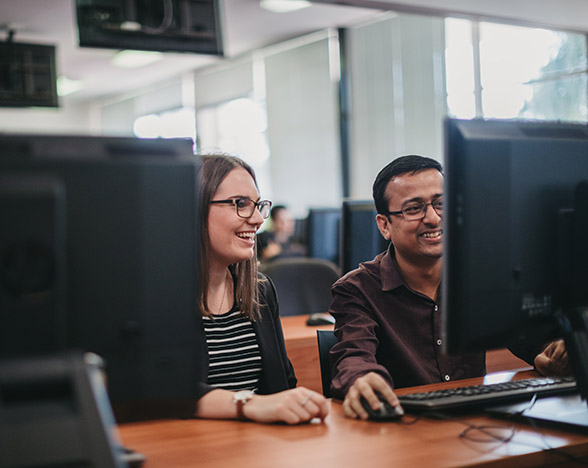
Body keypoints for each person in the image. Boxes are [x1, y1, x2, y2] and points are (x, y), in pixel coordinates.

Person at [328, 155, 571, 420]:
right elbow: (354, 357)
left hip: (476, 427)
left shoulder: (479, 277)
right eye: (413, 209)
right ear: (384, 225)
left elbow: (529, 336)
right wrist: (361, 379)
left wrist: (552, 351)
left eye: (441, 204)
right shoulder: (357, 290)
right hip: (403, 429)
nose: (433, 218)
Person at [193, 154, 329, 424]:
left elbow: (283, 383)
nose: (256, 219)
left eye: (257, 205)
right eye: (240, 204)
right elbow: (158, 395)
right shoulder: (154, 302)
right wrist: (249, 405)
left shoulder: (259, 291)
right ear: (194, 209)